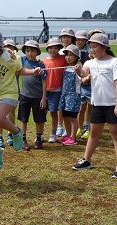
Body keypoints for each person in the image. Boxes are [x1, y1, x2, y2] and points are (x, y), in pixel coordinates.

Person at [0, 29, 42, 170]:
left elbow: (19, 70)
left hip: (9, 93)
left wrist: (33, 71)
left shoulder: (9, 57)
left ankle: (16, 132)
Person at [72, 33, 117, 179]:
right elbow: (83, 74)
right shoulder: (90, 63)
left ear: (104, 47)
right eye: (90, 47)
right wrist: (79, 70)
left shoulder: (113, 62)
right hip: (97, 104)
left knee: (115, 135)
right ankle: (86, 160)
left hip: (112, 105)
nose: (92, 50)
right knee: (93, 133)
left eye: (95, 47)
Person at [17, 40, 47, 150]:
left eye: (32, 51)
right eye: (28, 51)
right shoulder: (21, 60)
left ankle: (39, 139)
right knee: (23, 119)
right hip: (24, 95)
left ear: (38, 52)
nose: (30, 53)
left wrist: (44, 98)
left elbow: (44, 82)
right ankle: (23, 139)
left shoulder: (41, 65)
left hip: (38, 96)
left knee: (39, 119)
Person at [42, 37, 67, 143]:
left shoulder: (63, 59)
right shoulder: (43, 61)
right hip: (44, 91)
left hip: (56, 91)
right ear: (47, 49)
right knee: (42, 113)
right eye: (51, 48)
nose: (53, 50)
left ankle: (53, 133)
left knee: (53, 112)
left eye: (56, 48)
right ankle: (41, 133)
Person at [57, 44, 82, 145]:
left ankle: (73, 137)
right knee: (65, 116)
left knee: (73, 117)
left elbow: (82, 75)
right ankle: (67, 135)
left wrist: (79, 70)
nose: (68, 57)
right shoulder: (65, 67)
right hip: (64, 94)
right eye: (66, 55)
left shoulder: (78, 67)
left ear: (76, 57)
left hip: (74, 95)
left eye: (71, 55)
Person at [0, 39, 19, 148]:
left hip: (11, 92)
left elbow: (22, 68)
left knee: (11, 114)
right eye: (6, 46)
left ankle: (10, 133)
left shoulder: (17, 59)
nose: (9, 49)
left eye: (11, 47)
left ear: (15, 49)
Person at [56, 27, 76, 137]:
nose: (66, 39)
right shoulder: (60, 51)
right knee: (60, 106)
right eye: (64, 37)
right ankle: (60, 125)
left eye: (68, 37)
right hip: (60, 81)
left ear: (72, 38)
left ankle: (69, 131)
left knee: (70, 109)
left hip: (71, 85)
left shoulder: (75, 49)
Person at [75, 30, 92, 140]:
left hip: (90, 84)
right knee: (80, 108)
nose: (80, 41)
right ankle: (79, 128)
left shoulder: (89, 53)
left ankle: (88, 128)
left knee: (89, 108)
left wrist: (86, 78)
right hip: (78, 84)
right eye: (78, 39)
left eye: (83, 40)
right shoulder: (72, 51)